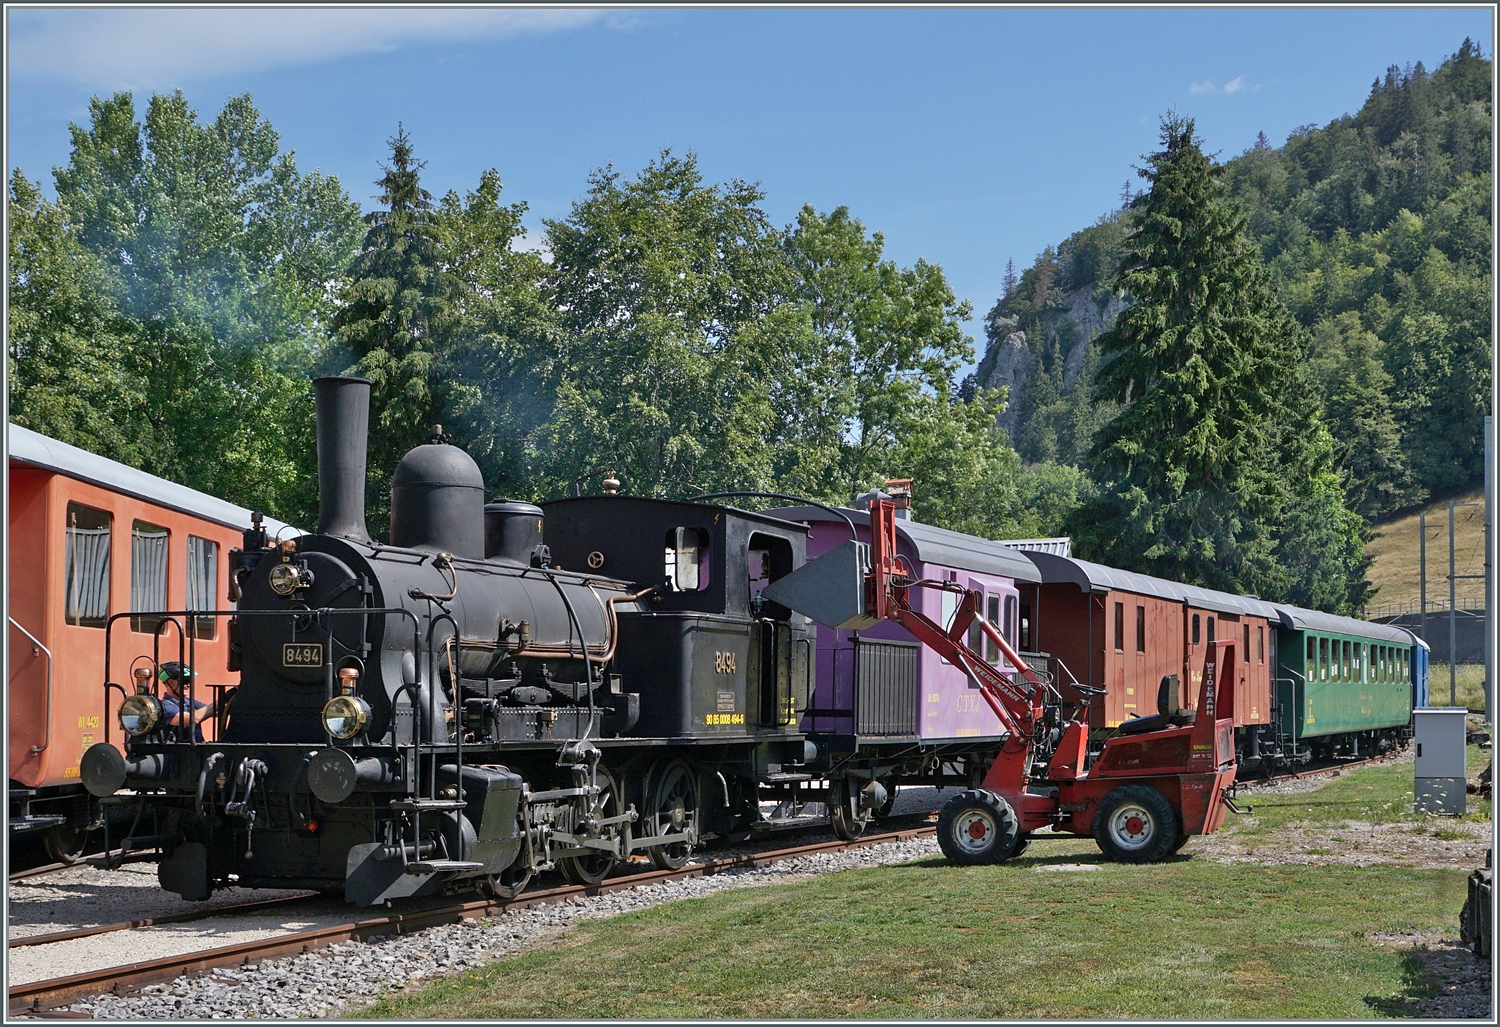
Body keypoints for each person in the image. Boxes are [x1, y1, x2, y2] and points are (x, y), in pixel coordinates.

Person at [158, 662, 235, 742]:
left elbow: (214, 711)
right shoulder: (165, 707)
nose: (188, 685)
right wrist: (223, 698)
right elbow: (193, 719)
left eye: (189, 682)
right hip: (178, 752)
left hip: (196, 750)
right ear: (171, 683)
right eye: (185, 681)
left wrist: (234, 698)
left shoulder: (189, 702)